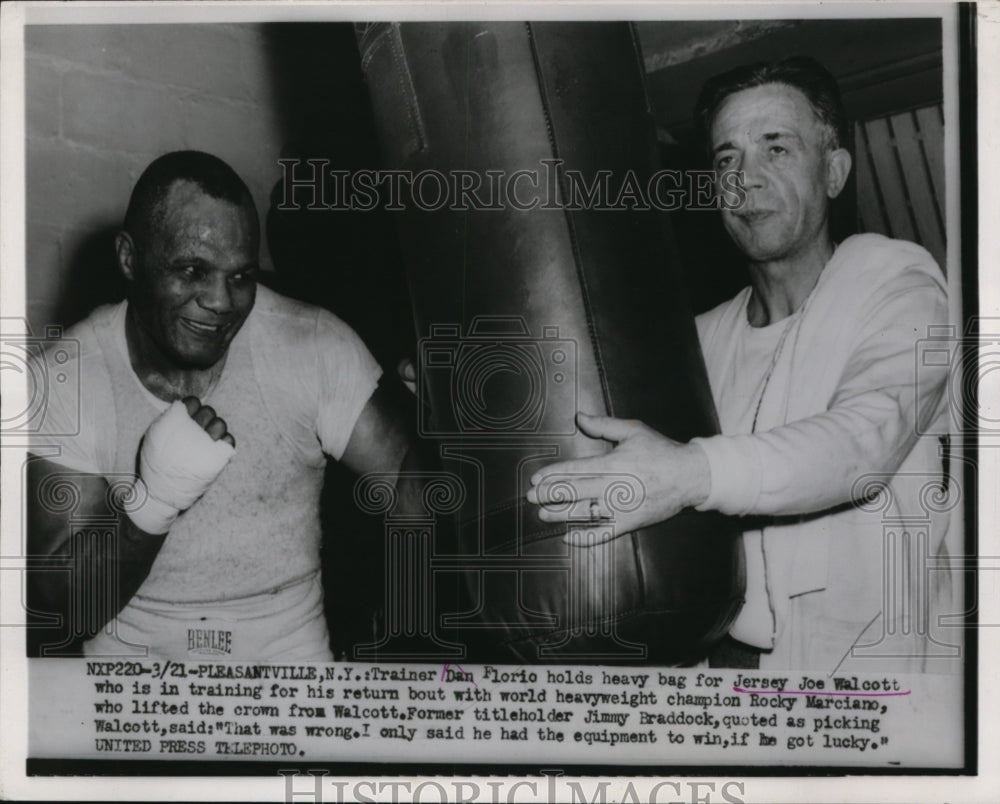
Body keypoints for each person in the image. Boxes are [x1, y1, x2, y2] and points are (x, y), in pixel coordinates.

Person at [528, 57, 955, 673]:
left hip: (873, 683)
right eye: (726, 159)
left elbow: (863, 441)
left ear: (834, 171)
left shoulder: (897, 284)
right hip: (723, 672)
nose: (744, 179)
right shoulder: (698, 340)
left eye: (776, 148)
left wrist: (690, 474)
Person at [27, 151, 420, 661]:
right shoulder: (69, 378)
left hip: (289, 665)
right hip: (132, 676)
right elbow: (64, 608)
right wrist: (154, 504)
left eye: (241, 277)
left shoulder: (311, 345)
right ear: (129, 258)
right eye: (193, 270)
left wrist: (443, 428)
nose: (221, 301)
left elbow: (413, 494)